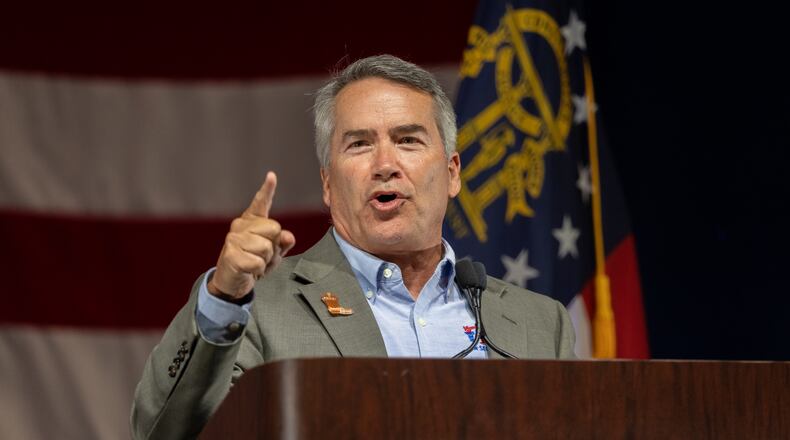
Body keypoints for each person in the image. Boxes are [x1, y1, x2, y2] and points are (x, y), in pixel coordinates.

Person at [130, 54, 576, 440]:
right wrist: (225, 298)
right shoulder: (259, 307)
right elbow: (164, 430)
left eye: (407, 140)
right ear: (328, 183)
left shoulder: (540, 323)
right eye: (359, 144)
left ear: (453, 172)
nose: (385, 165)